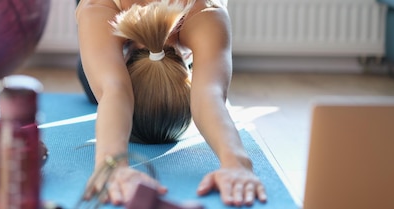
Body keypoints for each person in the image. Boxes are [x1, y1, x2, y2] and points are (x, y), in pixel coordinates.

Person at [75, 0, 267, 207]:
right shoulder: (204, 10)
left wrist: (236, 163)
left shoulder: (205, 13)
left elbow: (115, 89)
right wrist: (235, 163)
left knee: (96, 71)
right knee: (94, 77)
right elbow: (208, 94)